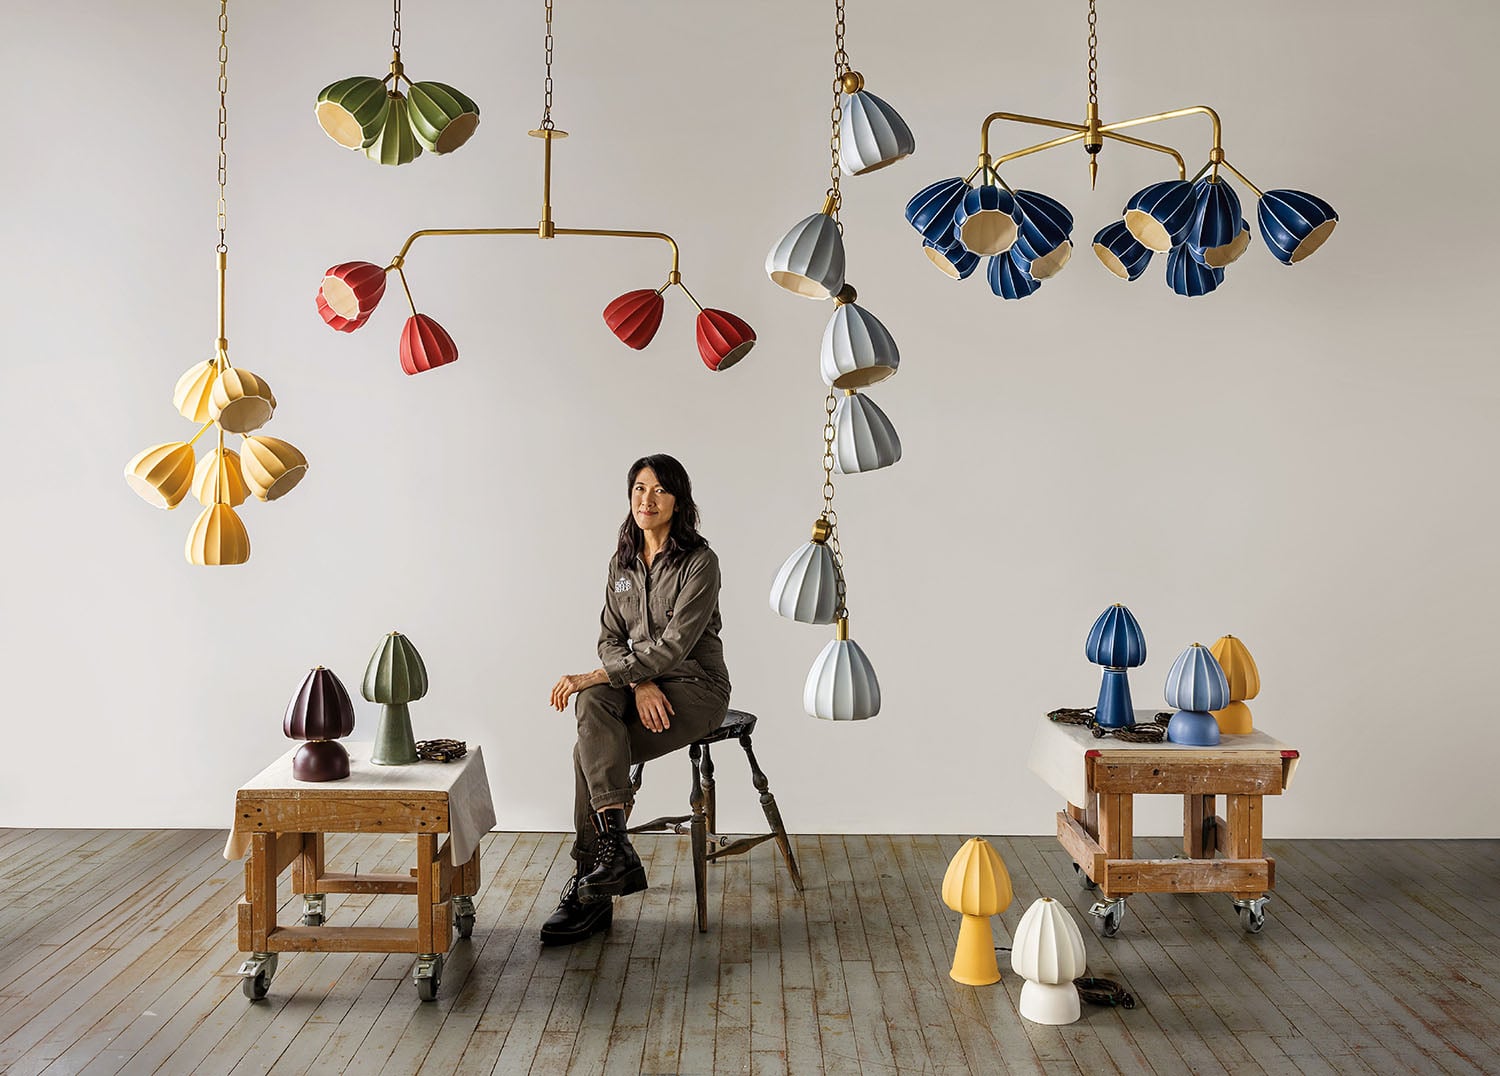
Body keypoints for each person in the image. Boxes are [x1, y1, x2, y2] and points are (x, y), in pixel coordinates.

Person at [542, 454, 732, 946]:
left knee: (588, 745)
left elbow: (675, 647)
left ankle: (592, 889)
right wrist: (635, 682)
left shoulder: (700, 563)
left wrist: (603, 676)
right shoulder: (622, 562)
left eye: (659, 491)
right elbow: (609, 637)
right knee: (591, 710)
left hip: (696, 688)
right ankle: (614, 858)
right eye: (639, 489)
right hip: (643, 685)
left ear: (678, 501)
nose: (647, 499)